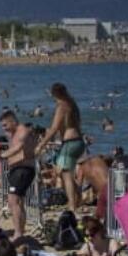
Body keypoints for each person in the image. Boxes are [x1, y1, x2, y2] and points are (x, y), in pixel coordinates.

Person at [41, 82, 84, 212]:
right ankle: (77, 198)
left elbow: (54, 128)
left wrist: (41, 145)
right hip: (78, 142)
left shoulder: (62, 106)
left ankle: (72, 205)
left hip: (70, 143)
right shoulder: (72, 104)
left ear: (54, 94)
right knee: (61, 172)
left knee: (66, 175)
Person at [0, 109, 37, 241]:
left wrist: (2, 155)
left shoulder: (22, 131)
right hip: (17, 170)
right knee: (18, 202)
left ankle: (18, 233)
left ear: (12, 121)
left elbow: (19, 148)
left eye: (5, 125)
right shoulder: (14, 133)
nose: (4, 129)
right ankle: (20, 232)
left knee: (13, 200)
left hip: (23, 170)